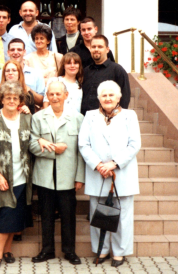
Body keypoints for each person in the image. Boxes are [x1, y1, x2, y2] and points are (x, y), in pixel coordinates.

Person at [79, 80, 141, 268]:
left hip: (122, 173)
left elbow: (134, 144)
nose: (107, 98)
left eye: (111, 95)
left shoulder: (130, 116)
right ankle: (102, 249)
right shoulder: (90, 116)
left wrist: (114, 164)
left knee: (123, 216)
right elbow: (83, 144)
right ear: (98, 98)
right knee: (98, 214)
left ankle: (120, 252)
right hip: (98, 173)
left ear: (119, 97)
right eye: (104, 95)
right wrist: (99, 165)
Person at [29, 81, 85, 265]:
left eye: (58, 94)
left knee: (68, 216)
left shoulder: (77, 118)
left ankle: (70, 251)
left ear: (66, 95)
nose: (54, 97)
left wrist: (79, 177)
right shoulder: (38, 118)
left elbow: (81, 150)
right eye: (51, 94)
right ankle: (47, 250)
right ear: (47, 96)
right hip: (45, 177)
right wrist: (53, 149)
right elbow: (31, 145)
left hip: (68, 177)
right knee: (46, 215)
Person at [0, 82, 33, 270]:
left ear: (20, 100)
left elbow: (34, 141)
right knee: (5, 214)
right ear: (1, 100)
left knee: (16, 213)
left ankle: (8, 250)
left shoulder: (28, 118)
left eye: (15, 98)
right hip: (1, 176)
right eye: (7, 98)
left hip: (23, 175)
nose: (11, 101)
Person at [81, 35, 130, 116]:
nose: (96, 49)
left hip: (107, 120)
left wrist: (114, 117)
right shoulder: (86, 71)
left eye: (100, 47)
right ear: (90, 49)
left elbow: (125, 98)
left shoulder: (117, 70)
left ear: (107, 49)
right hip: (86, 119)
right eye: (93, 47)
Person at [0, 38, 45, 107]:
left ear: (24, 52)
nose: (15, 52)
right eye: (12, 50)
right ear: (8, 52)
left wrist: (28, 89)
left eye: (19, 50)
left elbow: (42, 101)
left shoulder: (36, 74)